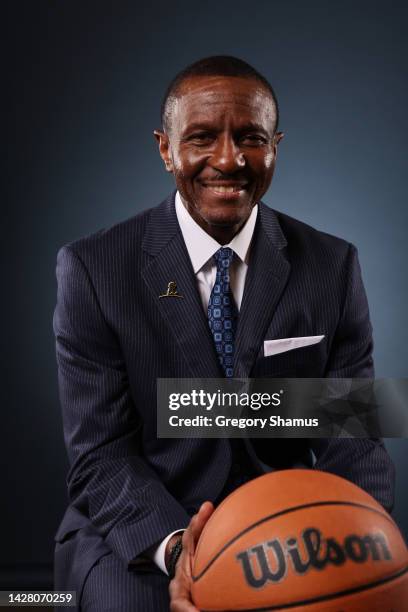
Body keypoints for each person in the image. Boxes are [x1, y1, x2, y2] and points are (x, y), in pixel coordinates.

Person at [53, 56, 395, 611]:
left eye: (251, 138)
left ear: (276, 147)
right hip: (140, 537)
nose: (229, 160)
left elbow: (353, 437)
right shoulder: (94, 269)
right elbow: (101, 452)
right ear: (166, 149)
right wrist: (183, 551)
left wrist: (348, 538)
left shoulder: (331, 265)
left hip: (286, 532)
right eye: (203, 137)